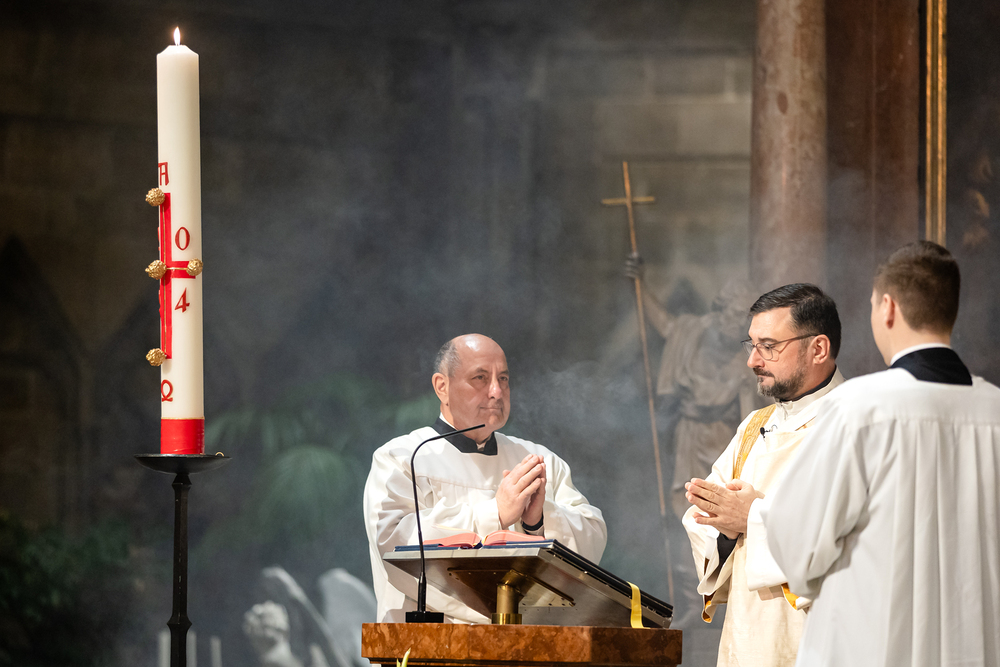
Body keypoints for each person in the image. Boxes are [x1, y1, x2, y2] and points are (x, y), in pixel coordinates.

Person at [763, 241, 1000, 667]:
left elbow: (798, 543)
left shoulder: (860, 408)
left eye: (873, 305)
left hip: (871, 645)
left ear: (887, 308)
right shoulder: (995, 411)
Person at [363, 334, 607, 623]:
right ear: (442, 386)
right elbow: (395, 547)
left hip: (523, 642)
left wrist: (538, 522)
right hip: (428, 642)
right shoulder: (403, 457)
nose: (496, 391)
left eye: (503, 379)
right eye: (480, 378)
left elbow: (592, 541)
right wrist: (495, 514)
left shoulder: (538, 460)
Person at [682, 284, 845, 667]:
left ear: (818, 348)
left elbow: (849, 539)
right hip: (746, 640)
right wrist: (725, 529)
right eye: (752, 345)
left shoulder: (852, 424)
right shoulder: (754, 427)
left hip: (820, 640)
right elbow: (703, 523)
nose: (753, 361)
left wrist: (752, 518)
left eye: (769, 346)